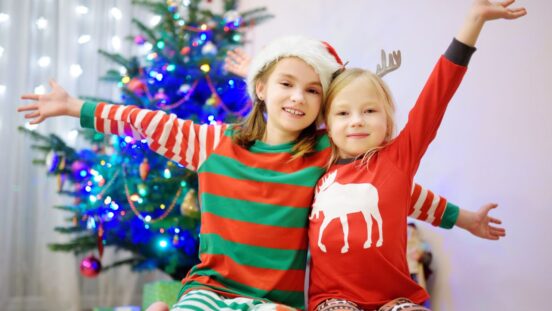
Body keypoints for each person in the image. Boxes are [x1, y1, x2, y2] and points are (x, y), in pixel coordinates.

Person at [17, 3, 514, 310]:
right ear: (261, 87)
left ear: (322, 108)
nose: (297, 98)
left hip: (277, 303)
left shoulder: (325, 154)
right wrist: (72, 107)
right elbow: (143, 121)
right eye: (286, 84)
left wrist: (462, 218)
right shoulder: (212, 145)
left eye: (312, 91)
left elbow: (395, 192)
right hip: (210, 289)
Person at [305, 1, 526, 310]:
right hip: (332, 300)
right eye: (343, 113)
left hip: (395, 299)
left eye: (369, 110)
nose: (356, 120)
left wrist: (473, 22)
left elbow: (437, 96)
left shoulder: (396, 160)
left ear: (387, 121)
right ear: (327, 123)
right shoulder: (314, 166)